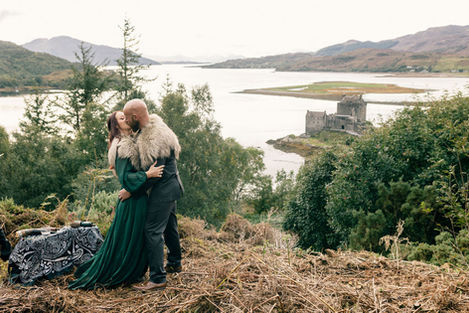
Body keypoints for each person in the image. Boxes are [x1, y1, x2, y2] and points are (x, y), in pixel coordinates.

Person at [68, 111, 164, 290]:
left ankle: (134, 271)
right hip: (132, 203)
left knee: (136, 238)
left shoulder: (133, 140)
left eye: (126, 117)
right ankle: (124, 271)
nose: (126, 119)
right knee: (130, 239)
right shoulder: (121, 146)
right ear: (116, 126)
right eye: (122, 118)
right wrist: (147, 175)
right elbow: (126, 179)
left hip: (137, 198)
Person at [119, 99, 184, 291]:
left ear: (135, 117)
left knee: (152, 230)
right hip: (171, 186)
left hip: (163, 188)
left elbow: (155, 174)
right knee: (170, 226)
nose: (126, 121)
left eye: (127, 118)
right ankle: (175, 262)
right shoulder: (153, 128)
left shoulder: (155, 140)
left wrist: (132, 190)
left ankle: (157, 278)